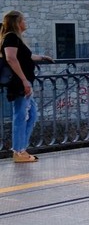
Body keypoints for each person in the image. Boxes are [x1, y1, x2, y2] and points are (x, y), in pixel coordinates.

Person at [2, 10, 52, 162]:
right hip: (19, 83)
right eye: (23, 20)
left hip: (24, 83)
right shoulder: (10, 37)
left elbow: (26, 57)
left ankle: (22, 149)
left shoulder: (16, 38)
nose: (25, 22)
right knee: (20, 116)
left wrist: (43, 57)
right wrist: (24, 80)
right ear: (17, 23)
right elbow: (11, 58)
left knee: (32, 115)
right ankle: (18, 152)